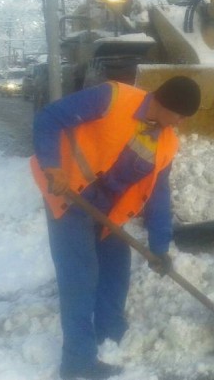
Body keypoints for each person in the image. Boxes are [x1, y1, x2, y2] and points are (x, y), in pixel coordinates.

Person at [30, 76, 201, 379]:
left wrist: (160, 247)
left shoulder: (166, 142)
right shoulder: (112, 98)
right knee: (80, 276)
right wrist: (52, 165)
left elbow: (159, 195)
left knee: (116, 266)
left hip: (108, 209)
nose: (181, 122)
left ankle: (109, 333)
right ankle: (77, 361)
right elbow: (49, 117)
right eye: (180, 115)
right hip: (70, 195)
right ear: (166, 104)